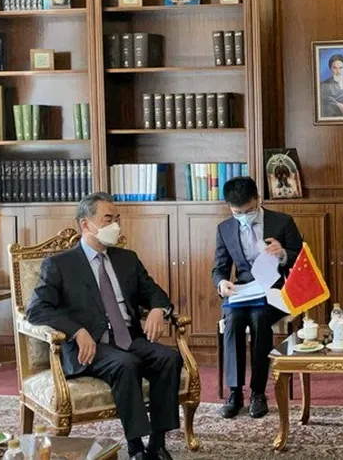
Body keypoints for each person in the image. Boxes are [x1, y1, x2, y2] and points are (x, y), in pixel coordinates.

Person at [26, 193, 181, 460]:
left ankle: (157, 443)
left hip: (130, 338)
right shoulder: (60, 264)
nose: (116, 226)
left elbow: (155, 293)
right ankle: (136, 447)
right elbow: (36, 309)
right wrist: (77, 331)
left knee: (169, 358)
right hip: (91, 346)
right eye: (108, 219)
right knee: (126, 364)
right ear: (85, 224)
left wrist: (158, 309)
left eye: (117, 219)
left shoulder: (127, 259)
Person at [212, 176, 303, 419]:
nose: (244, 216)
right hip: (242, 291)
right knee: (233, 319)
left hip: (275, 290)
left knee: (260, 317)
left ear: (258, 199)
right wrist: (221, 283)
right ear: (230, 208)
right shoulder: (225, 229)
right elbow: (219, 268)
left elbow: (302, 259)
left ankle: (258, 392)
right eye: (237, 212)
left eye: (249, 210)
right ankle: (235, 392)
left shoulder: (282, 222)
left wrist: (283, 253)